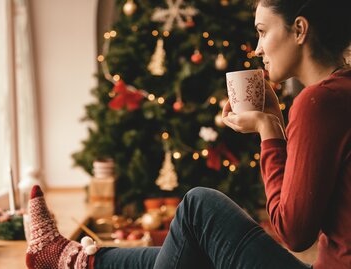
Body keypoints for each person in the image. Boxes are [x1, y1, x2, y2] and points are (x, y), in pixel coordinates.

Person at [25, 0, 351, 268]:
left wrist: (269, 131)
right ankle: (71, 258)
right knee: (192, 247)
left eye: (263, 33)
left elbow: (293, 231)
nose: (256, 48)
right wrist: (275, 120)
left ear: (299, 30)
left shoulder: (319, 102)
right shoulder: (339, 92)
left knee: (198, 207)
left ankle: (69, 259)